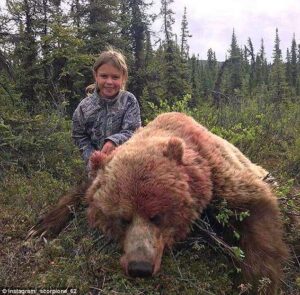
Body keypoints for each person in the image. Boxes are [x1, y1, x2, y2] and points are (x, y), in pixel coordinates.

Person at [72, 48, 141, 169]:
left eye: (115, 77)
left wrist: (114, 141)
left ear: (123, 77)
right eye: (104, 76)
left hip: (125, 166)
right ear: (96, 75)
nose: (109, 82)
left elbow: (133, 131)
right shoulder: (84, 107)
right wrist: (92, 157)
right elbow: (79, 136)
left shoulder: (129, 101)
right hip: (96, 168)